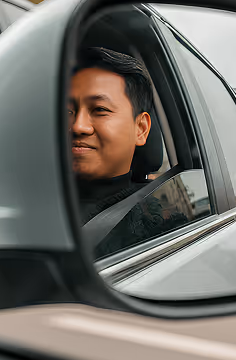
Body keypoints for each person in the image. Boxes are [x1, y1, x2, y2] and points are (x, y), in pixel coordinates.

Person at [68, 47, 187, 258]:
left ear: (140, 129)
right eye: (68, 112)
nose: (78, 126)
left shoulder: (161, 227)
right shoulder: (24, 200)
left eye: (99, 110)